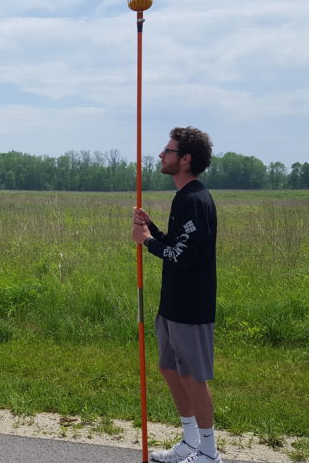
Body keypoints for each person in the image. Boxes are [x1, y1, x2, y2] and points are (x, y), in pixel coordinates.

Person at [131, 127, 221, 463]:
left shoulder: (197, 200)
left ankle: (210, 452)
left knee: (192, 377)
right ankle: (189, 440)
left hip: (191, 307)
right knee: (170, 370)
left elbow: (185, 257)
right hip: (172, 304)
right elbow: (178, 244)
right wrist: (153, 229)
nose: (160, 155)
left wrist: (146, 242)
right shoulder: (182, 198)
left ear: (185, 160)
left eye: (168, 151)